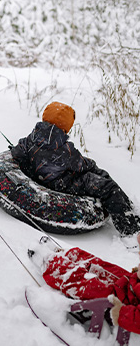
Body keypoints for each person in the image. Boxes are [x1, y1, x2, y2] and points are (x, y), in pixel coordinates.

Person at [10, 101, 140, 242]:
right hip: (61, 183)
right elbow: (81, 165)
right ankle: (131, 228)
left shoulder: (32, 137)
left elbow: (18, 152)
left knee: (98, 177)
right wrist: (91, 165)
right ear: (66, 126)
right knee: (107, 186)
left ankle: (125, 207)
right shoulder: (65, 148)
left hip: (41, 176)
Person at [28, 234, 140, 335]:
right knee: (100, 265)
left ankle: (48, 262)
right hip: (131, 285)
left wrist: (120, 312)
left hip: (124, 303)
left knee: (85, 283)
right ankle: (64, 254)